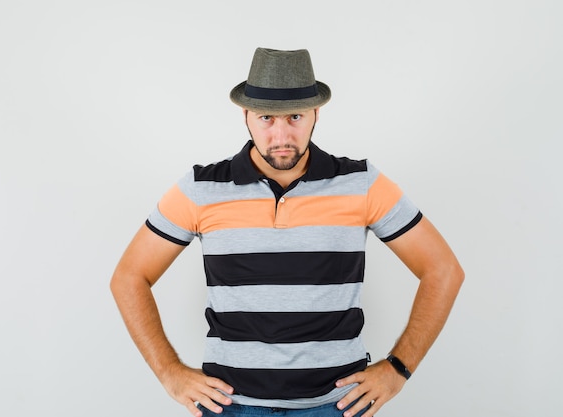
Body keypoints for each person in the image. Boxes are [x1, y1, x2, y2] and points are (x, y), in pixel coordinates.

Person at [110, 47, 464, 417]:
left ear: (315, 114)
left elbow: (443, 270)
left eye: (295, 117)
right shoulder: (201, 188)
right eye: (266, 118)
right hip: (231, 406)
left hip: (335, 405)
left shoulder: (360, 183)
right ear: (246, 116)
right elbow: (129, 277)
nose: (281, 135)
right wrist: (169, 372)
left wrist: (398, 369)